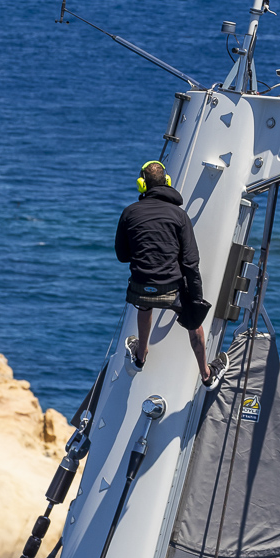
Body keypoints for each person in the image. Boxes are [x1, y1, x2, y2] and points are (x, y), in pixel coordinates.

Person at [115, 160, 228, 388]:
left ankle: (140, 357)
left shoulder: (129, 213)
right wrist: (196, 299)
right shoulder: (179, 215)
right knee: (194, 323)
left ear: (142, 185)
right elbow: (190, 261)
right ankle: (206, 375)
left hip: (140, 287)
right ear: (167, 182)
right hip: (171, 288)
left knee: (145, 306)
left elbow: (122, 255)